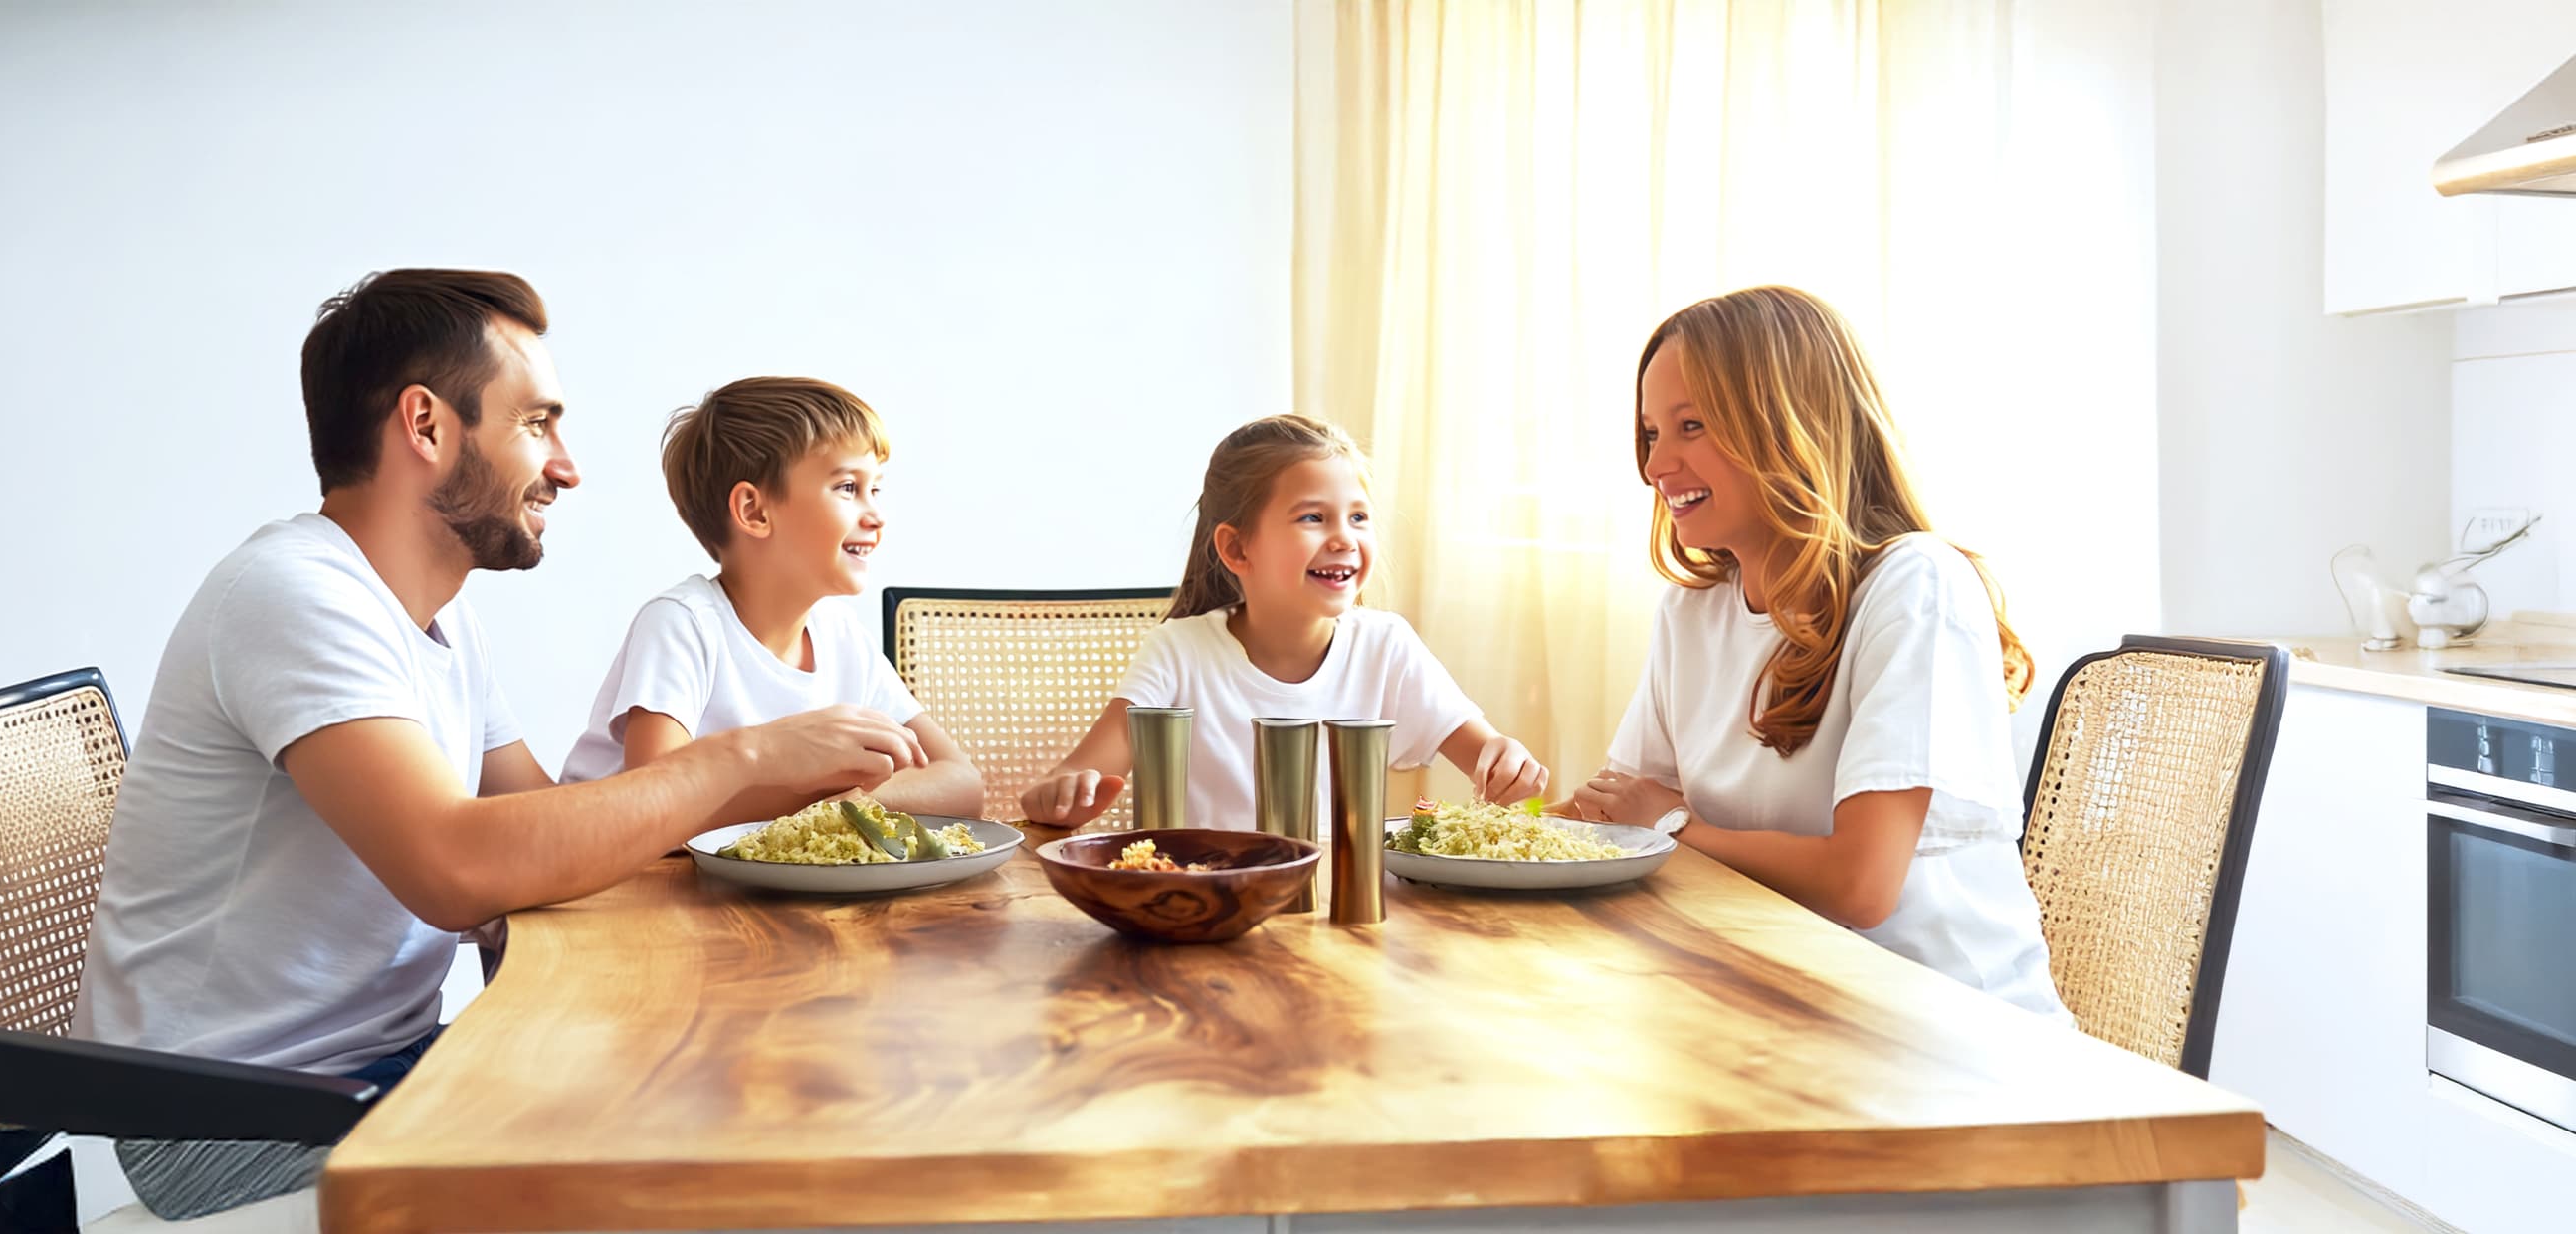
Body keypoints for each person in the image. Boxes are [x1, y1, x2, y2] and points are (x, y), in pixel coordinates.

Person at [71, 270, 928, 1219]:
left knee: (749, 1086)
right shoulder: (295, 597)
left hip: (380, 1072)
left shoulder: (435, 620)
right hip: (233, 1124)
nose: (566, 466)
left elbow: (533, 823)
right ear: (427, 426)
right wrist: (750, 759)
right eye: (537, 424)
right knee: (714, 1143)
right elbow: (457, 870)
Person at [1552, 285, 2068, 1020]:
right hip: (1774, 1007)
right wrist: (1441, 845)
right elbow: (1615, 812)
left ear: (1789, 426)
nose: (1655, 465)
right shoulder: (1692, 613)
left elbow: (1862, 886)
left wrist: (1674, 823)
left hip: (1939, 1040)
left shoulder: (1914, 586)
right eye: (1649, 434)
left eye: (1691, 426)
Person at [1020, 413, 1548, 828]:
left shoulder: (1385, 646)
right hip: (1210, 906)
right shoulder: (1179, 652)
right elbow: (1077, 776)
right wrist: (1062, 795)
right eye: (1313, 518)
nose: (1345, 538)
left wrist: (1507, 763)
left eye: (1359, 517)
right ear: (1236, 548)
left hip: (1341, 908)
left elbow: (1488, 758)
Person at [554, 376, 981, 817]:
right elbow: (656, 802)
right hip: (623, 880)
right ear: (755, 512)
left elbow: (962, 783)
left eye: (875, 488)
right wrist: (823, 801)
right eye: (847, 487)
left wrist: (844, 806)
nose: (876, 516)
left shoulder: (841, 637)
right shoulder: (683, 624)